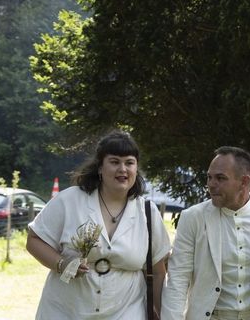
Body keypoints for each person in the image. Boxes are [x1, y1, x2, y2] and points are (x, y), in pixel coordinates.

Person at [26, 130, 171, 319]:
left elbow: (158, 272)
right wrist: (62, 263)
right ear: (100, 168)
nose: (123, 169)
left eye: (129, 162)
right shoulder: (70, 200)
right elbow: (34, 240)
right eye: (114, 162)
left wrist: (160, 312)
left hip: (126, 312)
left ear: (136, 168)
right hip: (66, 311)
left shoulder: (148, 213)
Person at [161, 146, 250, 320]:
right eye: (209, 177)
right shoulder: (193, 217)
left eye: (220, 178)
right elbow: (178, 280)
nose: (211, 184)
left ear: (244, 181)